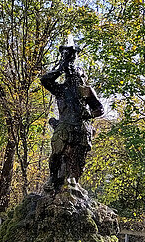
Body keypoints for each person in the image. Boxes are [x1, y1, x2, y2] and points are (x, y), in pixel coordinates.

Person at [40, 44, 104, 192]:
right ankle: (53, 177)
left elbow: (99, 109)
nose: (74, 77)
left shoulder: (86, 91)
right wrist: (61, 67)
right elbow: (45, 80)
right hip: (64, 125)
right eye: (71, 74)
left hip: (81, 127)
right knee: (56, 152)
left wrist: (89, 114)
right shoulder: (60, 90)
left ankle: (72, 177)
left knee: (78, 156)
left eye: (77, 75)